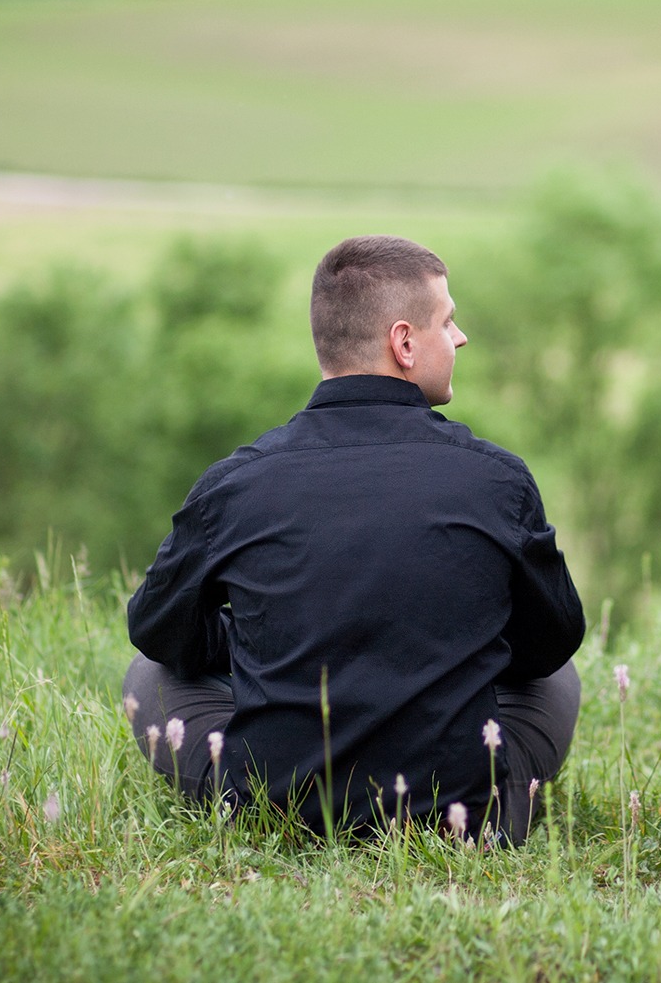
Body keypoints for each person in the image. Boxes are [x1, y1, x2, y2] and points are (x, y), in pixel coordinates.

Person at [122, 235, 584, 843]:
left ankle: (254, 801)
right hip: (459, 818)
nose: (461, 336)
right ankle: (495, 801)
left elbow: (158, 630)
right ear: (404, 342)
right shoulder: (497, 479)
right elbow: (549, 645)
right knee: (559, 679)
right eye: (447, 320)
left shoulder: (235, 483)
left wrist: (263, 644)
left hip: (277, 809)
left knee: (148, 676)